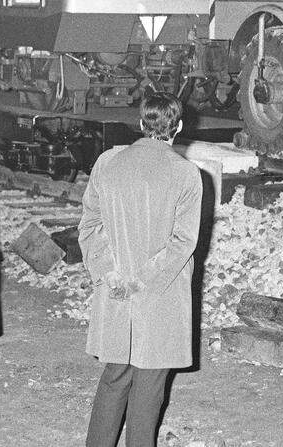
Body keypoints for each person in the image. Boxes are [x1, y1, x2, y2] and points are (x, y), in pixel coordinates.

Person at [79, 92, 202, 447]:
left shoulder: (108, 162)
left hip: (116, 292)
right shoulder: (186, 174)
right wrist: (141, 280)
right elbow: (183, 242)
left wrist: (109, 273)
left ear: (140, 124)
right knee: (149, 389)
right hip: (159, 297)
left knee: (115, 377)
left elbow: (89, 227)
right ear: (177, 127)